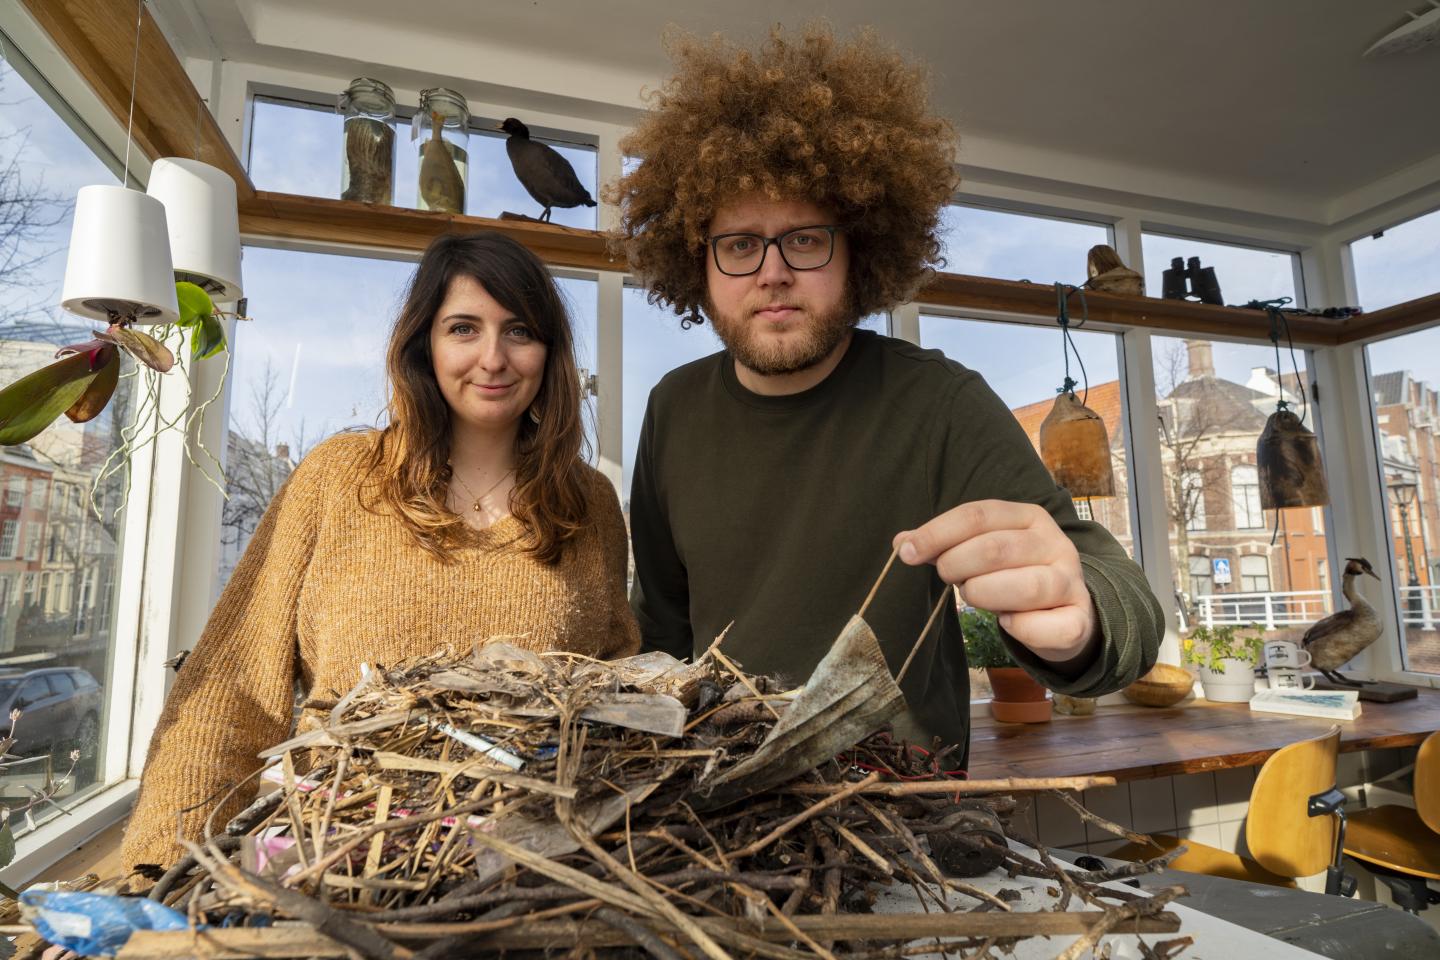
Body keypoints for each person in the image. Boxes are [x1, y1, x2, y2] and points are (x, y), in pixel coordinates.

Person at [608, 25, 1162, 761]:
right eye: (739, 244)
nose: (772, 272)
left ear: (860, 252)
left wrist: (1081, 623)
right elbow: (664, 629)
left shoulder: (940, 403)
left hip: (905, 829)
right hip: (719, 819)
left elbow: (1119, 597)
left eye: (805, 239)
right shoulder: (672, 408)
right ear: (696, 265)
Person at [120, 233, 638, 872]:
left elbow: (616, 685)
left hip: (527, 871)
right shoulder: (340, 478)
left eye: (521, 331)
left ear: (550, 352)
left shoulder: (587, 503)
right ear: (425, 344)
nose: (494, 357)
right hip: (331, 857)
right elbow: (230, 693)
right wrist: (155, 870)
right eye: (464, 328)